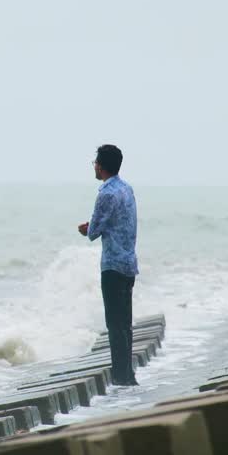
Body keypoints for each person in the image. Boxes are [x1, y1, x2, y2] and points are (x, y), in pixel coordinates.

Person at [77, 144, 139, 386]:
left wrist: (86, 228)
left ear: (101, 166)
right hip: (129, 262)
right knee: (125, 324)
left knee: (114, 325)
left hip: (112, 265)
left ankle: (121, 378)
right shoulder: (127, 189)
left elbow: (94, 231)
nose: (94, 166)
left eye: (95, 162)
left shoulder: (106, 193)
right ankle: (128, 375)